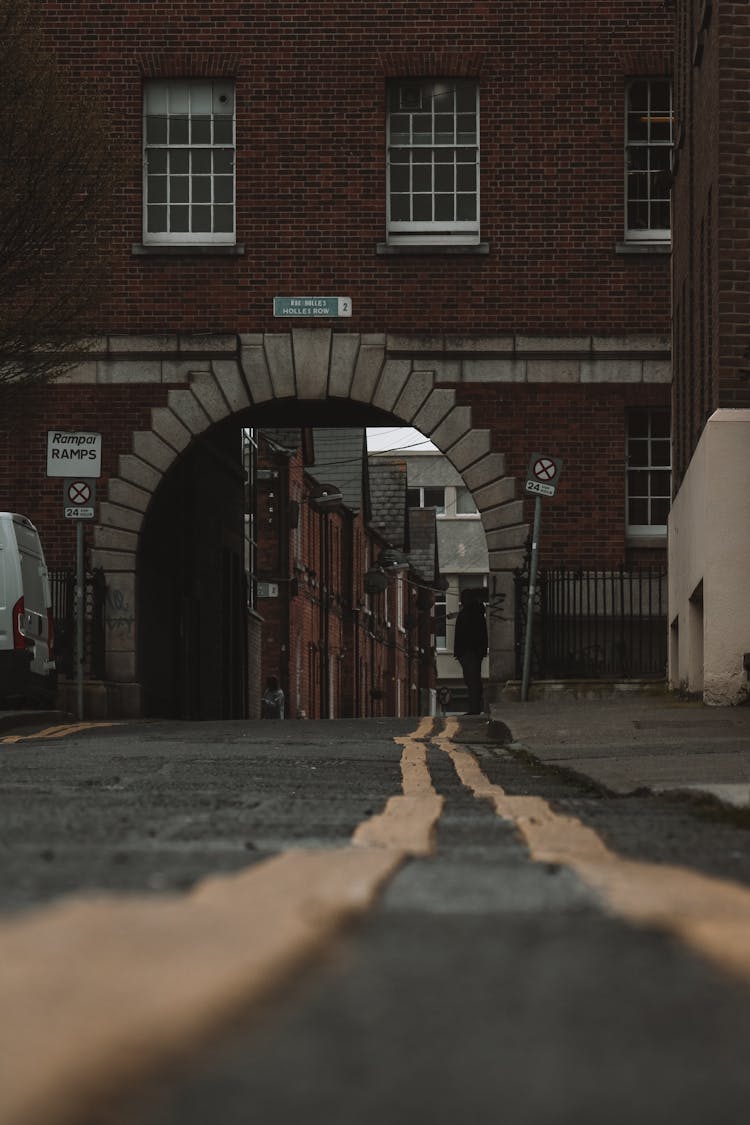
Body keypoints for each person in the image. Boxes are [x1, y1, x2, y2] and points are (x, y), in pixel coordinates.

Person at [453, 588, 488, 715]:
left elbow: (468, 635)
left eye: (463, 598)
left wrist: (462, 652)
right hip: (469, 652)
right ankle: (474, 708)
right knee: (471, 680)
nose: (461, 601)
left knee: (472, 681)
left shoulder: (471, 614)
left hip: (470, 652)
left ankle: (474, 709)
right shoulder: (473, 613)